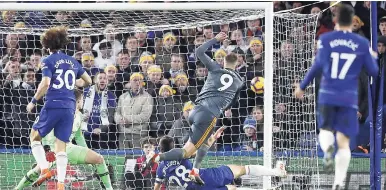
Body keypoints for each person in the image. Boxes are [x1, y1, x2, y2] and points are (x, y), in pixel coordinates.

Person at [294, 4, 379, 190]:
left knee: (325, 131)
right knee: (344, 141)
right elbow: (373, 72)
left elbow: (317, 66)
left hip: (327, 95)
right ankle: (339, 183)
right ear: (353, 21)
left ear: (335, 21)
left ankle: (327, 149)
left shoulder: (325, 39)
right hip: (348, 98)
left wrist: (302, 86)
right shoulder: (362, 44)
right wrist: (373, 56)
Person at [147, 32, 244, 185]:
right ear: (237, 64)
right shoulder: (239, 81)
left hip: (195, 110)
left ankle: (195, 171)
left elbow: (199, 52)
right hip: (209, 114)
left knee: (205, 142)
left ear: (223, 62)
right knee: (186, 152)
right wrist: (226, 109)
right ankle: (157, 157)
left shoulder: (215, 68)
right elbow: (233, 101)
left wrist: (215, 39)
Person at [26, 26, 92, 190]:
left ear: (47, 45)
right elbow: (89, 81)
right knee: (60, 145)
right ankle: (61, 184)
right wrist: (74, 83)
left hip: (54, 103)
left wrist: (33, 101)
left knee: (34, 136)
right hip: (70, 107)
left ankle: (45, 169)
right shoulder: (73, 61)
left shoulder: (47, 60)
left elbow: (46, 83)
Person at [15, 89, 113, 190]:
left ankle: (109, 188)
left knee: (99, 159)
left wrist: (87, 152)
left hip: (69, 148)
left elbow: (79, 137)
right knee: (37, 170)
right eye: (82, 100)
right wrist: (47, 150)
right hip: (55, 150)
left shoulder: (79, 115)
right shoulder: (60, 112)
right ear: (78, 102)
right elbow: (45, 132)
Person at [153, 127, 287, 190]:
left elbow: (157, 187)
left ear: (160, 150)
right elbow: (201, 151)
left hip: (196, 189)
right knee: (242, 169)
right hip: (206, 177)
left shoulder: (160, 169)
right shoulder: (181, 154)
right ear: (174, 147)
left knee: (233, 189)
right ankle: (277, 172)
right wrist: (212, 139)